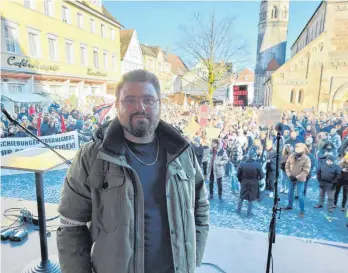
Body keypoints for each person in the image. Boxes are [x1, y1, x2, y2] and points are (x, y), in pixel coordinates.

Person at [57, 70, 210, 273]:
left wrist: (192, 257)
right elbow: (71, 225)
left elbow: (199, 206)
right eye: (130, 100)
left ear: (159, 105)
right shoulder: (92, 157)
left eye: (148, 100)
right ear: (118, 105)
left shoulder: (181, 152)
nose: (140, 107)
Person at [283, 143, 311, 217]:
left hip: (300, 179)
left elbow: (306, 171)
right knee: (290, 192)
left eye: (298, 148)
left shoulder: (306, 158)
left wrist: (297, 177)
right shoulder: (291, 156)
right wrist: (289, 175)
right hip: (291, 178)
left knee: (300, 195)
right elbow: (287, 166)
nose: (297, 149)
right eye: (296, 147)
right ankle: (289, 205)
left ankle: (302, 210)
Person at [236, 147, 265, 217]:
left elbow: (238, 175)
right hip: (254, 183)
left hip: (244, 182)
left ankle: (238, 210)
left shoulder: (242, 164)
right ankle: (249, 213)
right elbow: (262, 176)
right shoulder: (258, 164)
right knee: (251, 198)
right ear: (254, 156)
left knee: (241, 197)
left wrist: (241, 181)